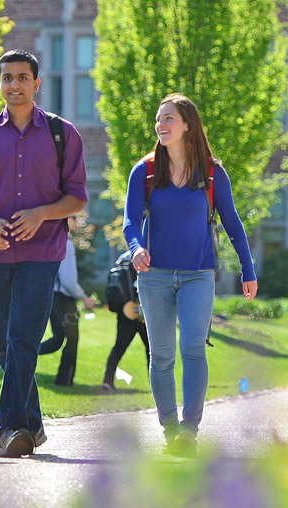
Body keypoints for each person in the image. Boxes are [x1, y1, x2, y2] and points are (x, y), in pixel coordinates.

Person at [0, 50, 87, 458]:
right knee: (4, 341)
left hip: (43, 250)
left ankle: (9, 429)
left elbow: (78, 198)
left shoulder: (62, 134)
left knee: (23, 336)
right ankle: (32, 422)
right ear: (0, 83)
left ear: (36, 84)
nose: (14, 84)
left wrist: (41, 214)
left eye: (22, 77)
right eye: (7, 78)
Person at [122, 94, 258, 455]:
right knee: (162, 354)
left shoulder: (212, 172)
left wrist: (248, 268)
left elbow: (232, 223)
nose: (161, 125)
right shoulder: (146, 171)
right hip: (154, 277)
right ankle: (169, 431)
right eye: (158, 119)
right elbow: (130, 221)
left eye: (169, 118)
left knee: (193, 348)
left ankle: (189, 432)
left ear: (187, 125)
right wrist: (136, 248)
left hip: (198, 274)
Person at [38, 215, 98, 387]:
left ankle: (21, 354)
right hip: (64, 299)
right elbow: (68, 280)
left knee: (58, 339)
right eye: (74, 217)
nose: (77, 221)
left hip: (52, 297)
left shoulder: (51, 241)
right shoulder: (66, 243)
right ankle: (64, 381)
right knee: (72, 340)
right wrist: (84, 298)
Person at [102, 250, 148, 392]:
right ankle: (158, 385)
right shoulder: (145, 255)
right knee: (152, 350)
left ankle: (107, 380)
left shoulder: (123, 257)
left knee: (119, 347)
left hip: (125, 310)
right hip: (143, 312)